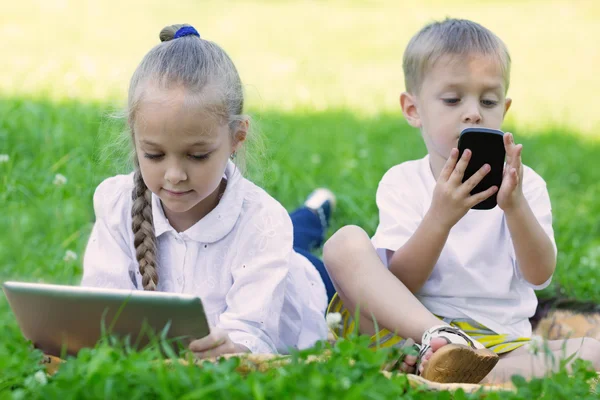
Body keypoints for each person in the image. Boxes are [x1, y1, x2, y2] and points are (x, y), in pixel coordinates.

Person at [323, 18, 600, 384]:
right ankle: (445, 348)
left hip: (497, 341)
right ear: (413, 110)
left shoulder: (525, 186)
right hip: (409, 330)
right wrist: (440, 218)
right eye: (453, 99)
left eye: (488, 100)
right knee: (343, 243)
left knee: (593, 351)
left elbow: (540, 274)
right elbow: (400, 281)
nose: (473, 112)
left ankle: (471, 370)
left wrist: (515, 208)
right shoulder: (404, 182)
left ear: (505, 108)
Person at [81, 24, 335, 359]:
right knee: (295, 230)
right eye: (154, 155)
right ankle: (311, 212)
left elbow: (251, 331)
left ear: (236, 138)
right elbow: (102, 306)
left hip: (302, 278)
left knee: (299, 244)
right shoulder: (117, 204)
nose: (174, 176)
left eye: (197, 156)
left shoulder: (264, 223)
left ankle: (316, 209)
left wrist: (234, 347)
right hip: (266, 244)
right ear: (134, 136)